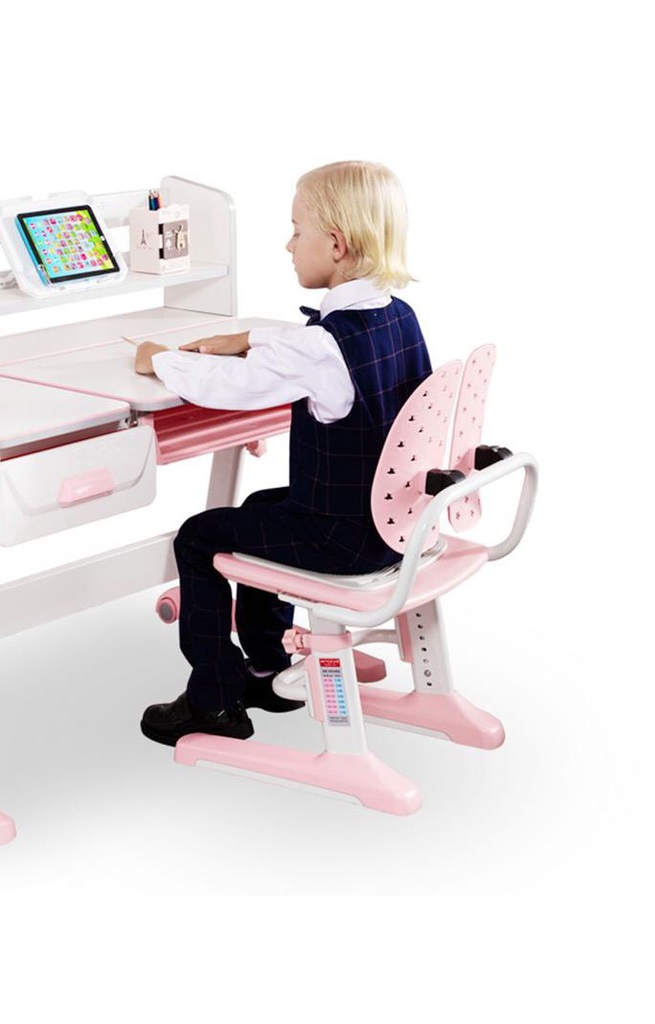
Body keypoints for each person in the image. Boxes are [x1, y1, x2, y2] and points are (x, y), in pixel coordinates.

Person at [133, 161, 432, 747]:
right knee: (260, 507)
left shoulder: (322, 347)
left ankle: (214, 699)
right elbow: (314, 348)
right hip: (394, 524)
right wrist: (250, 338)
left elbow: (231, 386)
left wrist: (158, 359)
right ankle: (268, 669)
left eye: (297, 231)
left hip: (342, 542)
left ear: (337, 245)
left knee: (198, 537)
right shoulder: (398, 316)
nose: (288, 244)